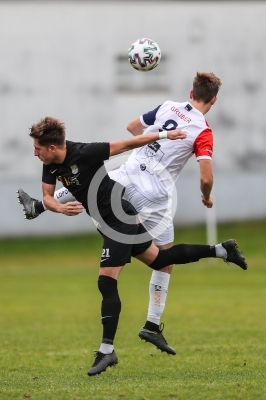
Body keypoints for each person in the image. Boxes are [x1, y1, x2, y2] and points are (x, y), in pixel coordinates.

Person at [19, 115, 247, 376]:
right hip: (109, 222)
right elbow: (47, 197)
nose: (34, 153)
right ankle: (222, 249)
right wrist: (59, 207)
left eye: (37, 149)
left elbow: (128, 143)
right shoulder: (49, 163)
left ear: (52, 147)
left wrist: (163, 135)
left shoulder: (85, 151)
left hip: (120, 216)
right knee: (161, 260)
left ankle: (107, 351)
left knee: (106, 281)